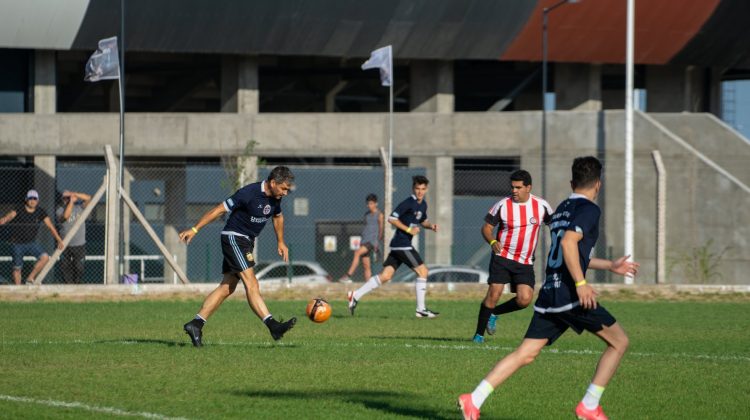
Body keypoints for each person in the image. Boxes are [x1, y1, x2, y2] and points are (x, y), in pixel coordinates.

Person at [458, 157, 640, 420]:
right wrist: (581, 284)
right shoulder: (589, 210)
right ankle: (589, 406)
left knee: (526, 353)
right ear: (598, 184)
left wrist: (610, 265)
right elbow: (568, 244)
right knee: (619, 342)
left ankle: (473, 399)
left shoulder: (564, 207)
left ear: (571, 182)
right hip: (569, 294)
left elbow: (573, 251)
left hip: (550, 293)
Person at [179, 166, 298, 347]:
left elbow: (278, 217)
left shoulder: (276, 197)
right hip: (234, 238)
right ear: (273, 183)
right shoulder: (248, 193)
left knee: (227, 287)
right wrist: (195, 229)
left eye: (288, 189)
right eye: (284, 188)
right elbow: (219, 209)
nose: (286, 192)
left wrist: (280, 242)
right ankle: (273, 325)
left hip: (246, 241)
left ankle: (195, 324)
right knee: (251, 282)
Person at [472, 170, 553, 344]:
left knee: (524, 299)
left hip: (525, 262)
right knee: (494, 294)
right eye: (512, 187)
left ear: (528, 188)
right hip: (503, 257)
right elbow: (486, 228)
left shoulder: (542, 206)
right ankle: (478, 335)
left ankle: (495, 313)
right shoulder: (503, 205)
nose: (514, 190)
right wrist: (493, 242)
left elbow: (554, 227)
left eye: (518, 187)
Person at [347, 175, 440, 318]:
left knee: (386, 276)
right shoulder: (408, 203)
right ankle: (421, 309)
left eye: (423, 189)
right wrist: (408, 230)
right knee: (423, 272)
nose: (420, 192)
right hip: (402, 244)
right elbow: (391, 218)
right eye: (417, 188)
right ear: (413, 189)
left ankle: (355, 295)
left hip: (399, 245)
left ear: (426, 189)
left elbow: (424, 221)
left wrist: (431, 226)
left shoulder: (423, 205)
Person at [0, 189, 64, 285]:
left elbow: (50, 226)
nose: (32, 200)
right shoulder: (19, 209)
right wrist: (4, 220)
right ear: (26, 199)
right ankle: (19, 290)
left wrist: (59, 240)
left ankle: (29, 279)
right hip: (17, 244)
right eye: (30, 198)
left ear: (37, 200)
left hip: (31, 243)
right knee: (17, 269)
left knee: (45, 257)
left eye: (35, 198)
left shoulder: (40, 212)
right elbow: (7, 218)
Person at [339, 193, 384, 283]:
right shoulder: (366, 215)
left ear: (376, 203)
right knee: (366, 265)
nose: (369, 205)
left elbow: (381, 230)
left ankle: (348, 276)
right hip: (364, 241)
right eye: (368, 204)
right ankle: (368, 286)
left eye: (371, 203)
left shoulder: (380, 215)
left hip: (372, 242)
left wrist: (377, 244)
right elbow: (367, 228)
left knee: (357, 253)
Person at [56, 190, 92, 284]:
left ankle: (77, 284)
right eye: (65, 198)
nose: (67, 200)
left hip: (79, 244)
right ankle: (68, 286)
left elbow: (88, 198)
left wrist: (75, 194)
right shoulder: (59, 210)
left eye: (68, 197)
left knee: (79, 267)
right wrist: (71, 201)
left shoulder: (79, 207)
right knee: (65, 268)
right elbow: (66, 216)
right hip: (65, 245)